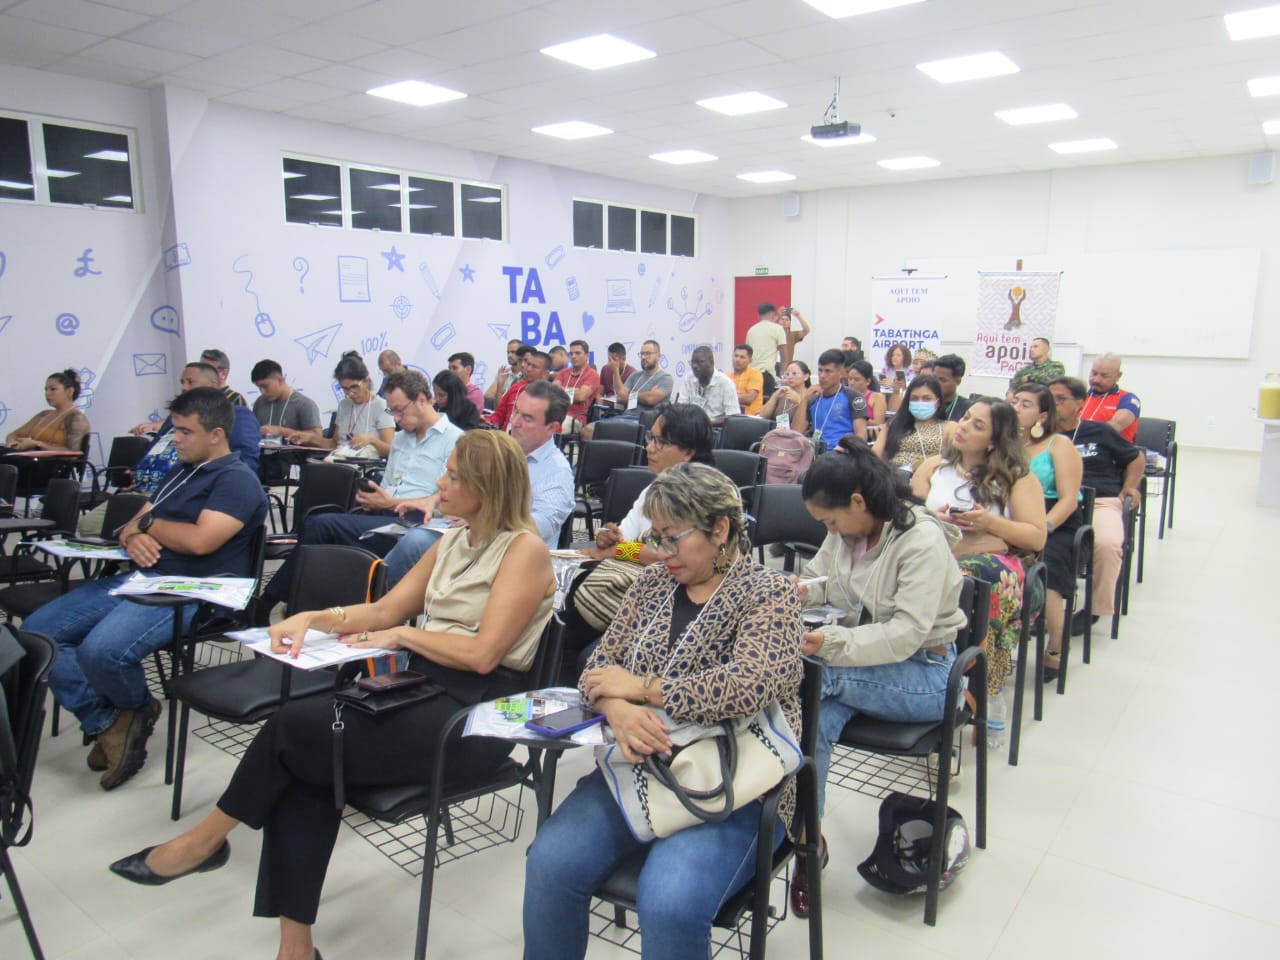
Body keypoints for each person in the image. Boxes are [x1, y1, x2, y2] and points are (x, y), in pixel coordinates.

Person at [110, 431, 555, 960]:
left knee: (293, 732)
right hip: (423, 689)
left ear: (487, 487)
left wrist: (402, 637)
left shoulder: (524, 550)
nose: (440, 481)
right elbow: (386, 610)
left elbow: (482, 655)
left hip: (474, 716)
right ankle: (294, 948)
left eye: (454, 475)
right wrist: (314, 618)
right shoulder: (455, 538)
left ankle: (205, 842)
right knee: (306, 764)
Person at [524, 462, 803, 960]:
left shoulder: (769, 592)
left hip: (735, 782)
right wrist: (616, 707)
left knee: (669, 901)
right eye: (656, 537)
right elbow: (597, 668)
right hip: (641, 763)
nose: (662, 551)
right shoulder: (652, 583)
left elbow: (748, 684)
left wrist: (644, 690)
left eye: (673, 538)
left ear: (720, 530)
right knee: (549, 863)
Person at [24, 387, 267, 790]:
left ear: (217, 434)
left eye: (186, 432)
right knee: (37, 633)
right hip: (144, 577)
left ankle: (124, 716)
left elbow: (200, 542)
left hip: (196, 590)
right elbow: (129, 526)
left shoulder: (236, 481)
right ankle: (116, 718)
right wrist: (134, 534)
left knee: (101, 652)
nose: (176, 440)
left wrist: (149, 527)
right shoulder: (180, 473)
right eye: (175, 430)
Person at [791, 438, 965, 916]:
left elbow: (907, 635)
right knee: (814, 719)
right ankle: (809, 842)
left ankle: (774, 816)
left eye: (830, 521)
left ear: (859, 502)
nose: (830, 531)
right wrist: (794, 591)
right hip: (862, 662)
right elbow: (820, 581)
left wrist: (831, 643)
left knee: (814, 678)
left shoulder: (920, 540)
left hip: (928, 673)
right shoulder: (847, 531)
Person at [262, 370, 462, 609]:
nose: (396, 419)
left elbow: (448, 500)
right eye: (392, 411)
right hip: (386, 516)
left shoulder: (456, 441)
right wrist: (376, 498)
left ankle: (275, 602)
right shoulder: (400, 440)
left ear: (421, 399)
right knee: (320, 526)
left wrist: (390, 503)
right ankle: (303, 604)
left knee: (321, 527)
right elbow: (390, 485)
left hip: (420, 524)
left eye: (400, 410)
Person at [912, 399, 1047, 695]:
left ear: (993, 442)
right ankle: (925, 671)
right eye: (966, 418)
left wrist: (988, 523)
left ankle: (974, 685)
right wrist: (937, 518)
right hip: (936, 553)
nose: (963, 427)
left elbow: (1036, 538)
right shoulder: (935, 467)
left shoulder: (1017, 478)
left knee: (973, 578)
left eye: (978, 425)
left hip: (991, 565)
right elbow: (908, 515)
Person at [382, 380, 574, 585]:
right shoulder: (498, 450)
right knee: (400, 533)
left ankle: (378, 604)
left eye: (527, 418)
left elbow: (543, 523)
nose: (515, 422)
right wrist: (433, 501)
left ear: (552, 428)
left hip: (511, 557)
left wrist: (485, 520)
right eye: (516, 412)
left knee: (415, 543)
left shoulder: (556, 471)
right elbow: (465, 485)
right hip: (468, 537)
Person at [572, 403, 717, 636]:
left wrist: (619, 551)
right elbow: (623, 539)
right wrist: (606, 538)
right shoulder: (655, 487)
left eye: (661, 442)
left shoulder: (702, 496)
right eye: (651, 438)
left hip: (674, 607)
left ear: (688, 452)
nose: (649, 448)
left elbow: (668, 556)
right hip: (637, 592)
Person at [83, 363, 261, 535]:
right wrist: (138, 472)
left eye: (190, 382)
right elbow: (155, 450)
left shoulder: (238, 415)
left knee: (118, 529)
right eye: (182, 382)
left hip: (187, 492)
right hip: (150, 490)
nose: (184, 387)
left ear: (213, 385)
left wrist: (144, 527)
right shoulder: (174, 419)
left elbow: (246, 461)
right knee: (87, 526)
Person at [1049, 377, 1144, 633]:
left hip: (1099, 500)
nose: (1054, 404)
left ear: (1079, 403)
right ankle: (1045, 607)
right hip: (1052, 502)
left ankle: (1094, 609)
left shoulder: (1099, 431)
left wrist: (1129, 487)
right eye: (1050, 398)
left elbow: (1136, 458)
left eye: (1061, 399)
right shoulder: (1040, 434)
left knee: (1108, 544)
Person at [1012, 383, 1083, 681]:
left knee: (1047, 566)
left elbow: (1068, 497)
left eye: (1025, 404)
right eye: (1014, 400)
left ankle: (1055, 643)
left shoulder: (1058, 445)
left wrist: (1045, 528)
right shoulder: (1006, 445)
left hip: (1057, 522)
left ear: (1042, 415)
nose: (1016, 408)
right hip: (1015, 517)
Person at [286, 352, 395, 457]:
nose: (350, 394)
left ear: (366, 381)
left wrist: (372, 440)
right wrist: (309, 438)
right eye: (345, 389)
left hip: (364, 467)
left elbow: (390, 451)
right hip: (340, 462)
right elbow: (334, 444)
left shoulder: (381, 407)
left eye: (354, 387)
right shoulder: (344, 405)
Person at [580, 340, 673, 441]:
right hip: (625, 417)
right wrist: (615, 371)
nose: (643, 357)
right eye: (641, 354)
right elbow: (621, 396)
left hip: (644, 422)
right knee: (588, 430)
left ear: (658, 355)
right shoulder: (636, 376)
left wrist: (631, 394)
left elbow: (650, 399)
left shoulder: (665, 378)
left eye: (648, 354)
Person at [872, 373, 955, 470]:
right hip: (895, 476)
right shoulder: (895, 424)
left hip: (931, 476)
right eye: (914, 398)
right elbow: (875, 455)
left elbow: (955, 458)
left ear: (938, 402)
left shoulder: (949, 427)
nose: (920, 402)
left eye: (927, 398)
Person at [3, 369, 90, 453]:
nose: (47, 393)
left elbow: (73, 453)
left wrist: (38, 445)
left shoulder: (76, 418)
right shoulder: (44, 414)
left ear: (70, 391)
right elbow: (13, 434)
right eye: (46, 389)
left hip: (53, 465)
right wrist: (12, 441)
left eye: (53, 389)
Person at [805, 348, 869, 450]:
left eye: (828, 371)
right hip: (814, 451)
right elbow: (797, 431)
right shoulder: (814, 397)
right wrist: (804, 400)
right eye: (820, 370)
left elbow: (861, 435)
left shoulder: (853, 396)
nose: (822, 376)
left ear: (841, 373)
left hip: (841, 454)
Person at [250, 360, 322, 440]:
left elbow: (318, 437)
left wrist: (281, 431)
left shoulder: (305, 404)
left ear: (280, 380)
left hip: (296, 452)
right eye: (259, 387)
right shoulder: (260, 402)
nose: (262, 391)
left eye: (265, 386)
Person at [1082, 352, 1141, 442]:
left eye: (1104, 376)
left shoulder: (1128, 399)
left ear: (1118, 376)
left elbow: (1113, 428)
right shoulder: (1080, 397)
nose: (1096, 379)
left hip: (1113, 453)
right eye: (1094, 373)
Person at [675, 345, 738, 427]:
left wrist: (705, 424)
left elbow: (732, 417)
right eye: (692, 362)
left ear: (711, 362)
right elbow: (681, 407)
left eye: (700, 362)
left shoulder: (725, 383)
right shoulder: (689, 379)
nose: (694, 366)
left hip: (715, 429)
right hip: (691, 429)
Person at [489, 349, 551, 430]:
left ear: (545, 374)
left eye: (534, 367)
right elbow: (499, 415)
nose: (528, 369)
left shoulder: (550, 395)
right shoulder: (516, 387)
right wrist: (486, 420)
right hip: (506, 438)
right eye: (528, 364)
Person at [554, 339, 601, 432]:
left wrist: (560, 390)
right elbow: (552, 390)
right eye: (571, 353)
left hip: (576, 418)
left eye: (577, 353)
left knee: (558, 426)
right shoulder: (563, 373)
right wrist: (575, 390)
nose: (573, 356)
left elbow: (581, 397)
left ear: (587, 355)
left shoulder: (592, 374)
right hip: (556, 413)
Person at [757, 360, 811, 433]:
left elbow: (810, 421)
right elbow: (762, 416)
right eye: (787, 374)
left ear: (806, 376)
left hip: (796, 436)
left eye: (794, 374)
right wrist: (774, 397)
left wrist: (799, 402)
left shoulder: (810, 395)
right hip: (775, 434)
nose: (790, 377)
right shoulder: (782, 394)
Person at [486, 341, 531, 405]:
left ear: (522, 355)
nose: (509, 355)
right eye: (508, 352)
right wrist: (500, 385)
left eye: (513, 352)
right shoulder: (504, 373)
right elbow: (488, 395)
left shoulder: (527, 374)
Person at [845, 358, 886, 427]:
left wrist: (859, 417)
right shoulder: (843, 395)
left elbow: (878, 423)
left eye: (856, 379)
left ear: (868, 381)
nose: (851, 383)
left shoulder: (877, 397)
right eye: (850, 379)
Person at [932, 354, 971, 422]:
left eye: (942, 380)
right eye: (934, 378)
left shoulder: (967, 408)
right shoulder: (924, 403)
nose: (936, 383)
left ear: (958, 381)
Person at [446, 351, 486, 415]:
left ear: (468, 369)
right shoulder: (446, 390)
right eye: (449, 368)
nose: (450, 372)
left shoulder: (475, 394)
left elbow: (462, 418)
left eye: (454, 368)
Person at [879, 342, 913, 414]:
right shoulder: (886, 369)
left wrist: (893, 384)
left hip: (902, 396)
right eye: (893, 355)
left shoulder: (910, 370)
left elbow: (909, 385)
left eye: (898, 355)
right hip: (886, 394)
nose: (894, 357)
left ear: (905, 357)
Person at [730, 344, 764, 415]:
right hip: (730, 415)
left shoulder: (755, 374)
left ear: (750, 360)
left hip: (751, 417)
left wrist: (728, 397)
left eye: (742, 357)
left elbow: (749, 399)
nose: (737, 359)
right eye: (735, 356)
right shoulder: (727, 376)